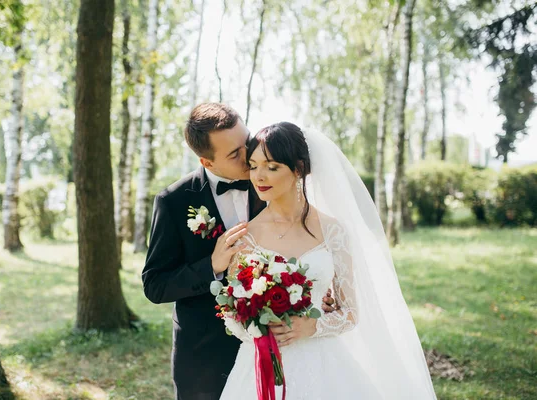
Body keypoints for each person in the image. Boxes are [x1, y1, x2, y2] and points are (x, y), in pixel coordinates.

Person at [219, 122, 437, 400]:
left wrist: (313, 325)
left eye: (271, 167)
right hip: (260, 365)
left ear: (298, 169)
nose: (259, 176)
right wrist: (257, 331)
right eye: (253, 165)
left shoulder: (333, 231)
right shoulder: (245, 235)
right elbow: (231, 310)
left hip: (323, 362)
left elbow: (350, 313)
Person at [142, 104, 338, 400]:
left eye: (246, 142)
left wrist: (318, 295)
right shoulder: (173, 202)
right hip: (204, 354)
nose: (249, 157)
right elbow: (155, 285)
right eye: (235, 154)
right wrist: (211, 265)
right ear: (207, 162)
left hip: (283, 348)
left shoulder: (272, 181)